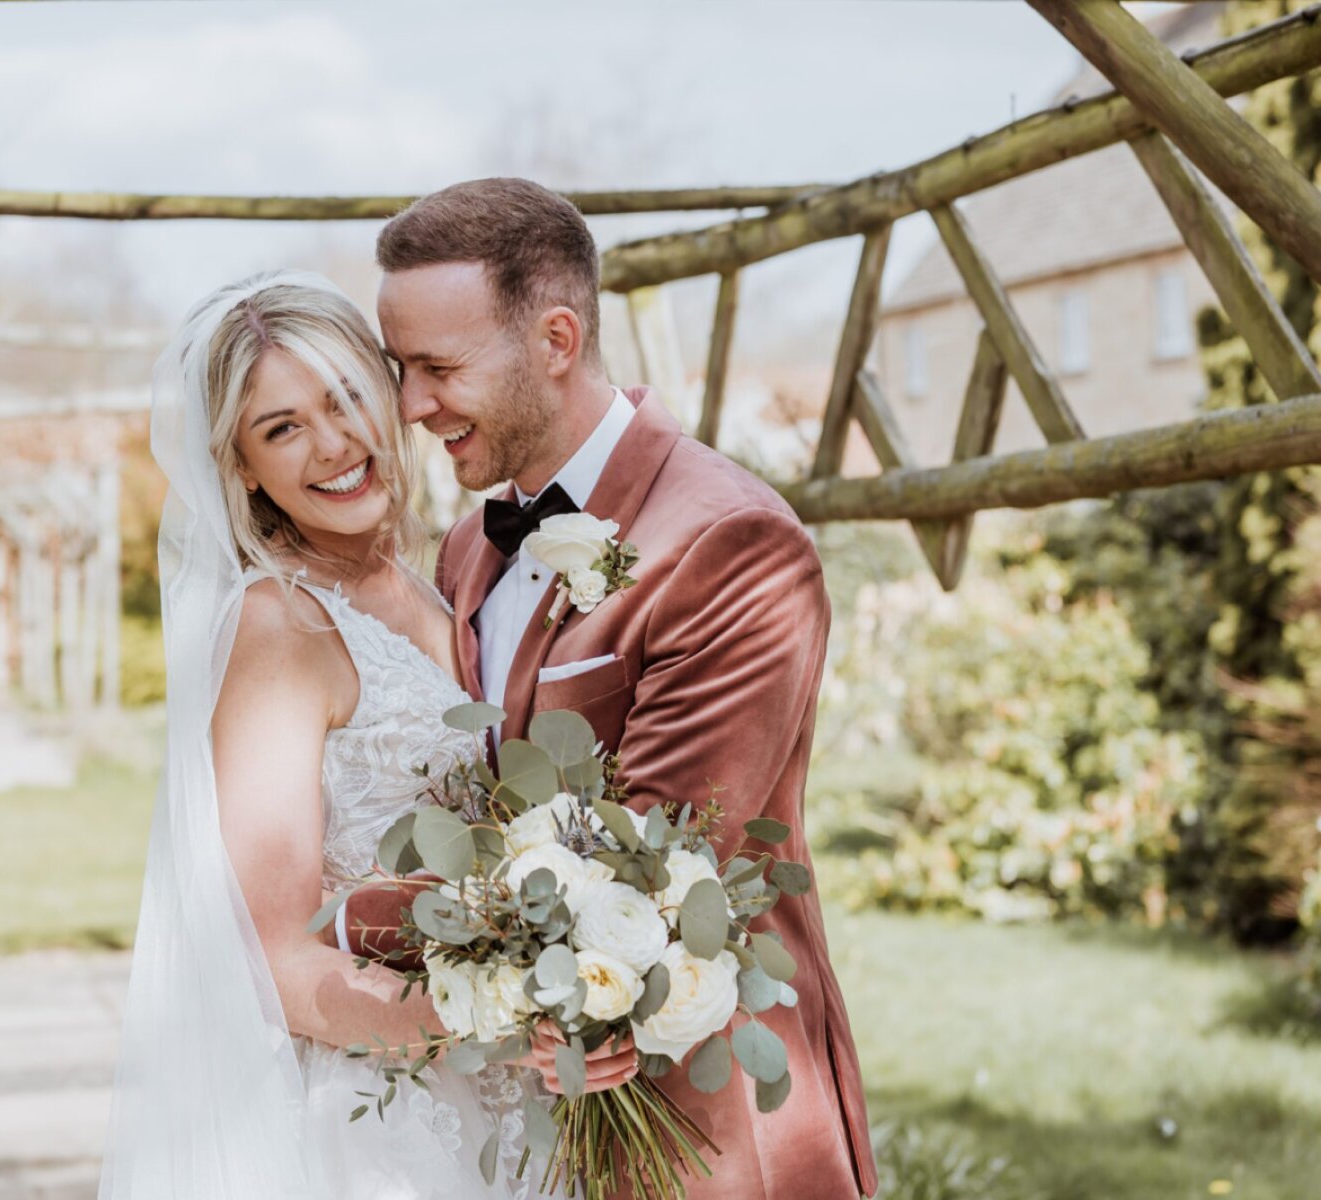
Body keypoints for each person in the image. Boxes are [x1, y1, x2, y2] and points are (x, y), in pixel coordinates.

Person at [342, 176, 880, 1199]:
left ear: (555, 339)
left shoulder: (729, 542)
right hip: (514, 1105)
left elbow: (640, 866)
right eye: (399, 369)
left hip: (699, 1117)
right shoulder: (467, 546)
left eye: (438, 368)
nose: (411, 408)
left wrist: (323, 929)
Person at [98, 271, 552, 1199]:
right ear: (240, 467)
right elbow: (271, 954)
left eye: (346, 398)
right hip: (390, 1125)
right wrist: (487, 1019)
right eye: (281, 427)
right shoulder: (279, 627)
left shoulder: (452, 575)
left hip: (526, 1096)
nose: (333, 444)